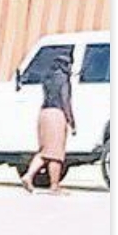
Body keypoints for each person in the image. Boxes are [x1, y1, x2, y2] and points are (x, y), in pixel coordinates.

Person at [21, 51, 76, 194]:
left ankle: (28, 175)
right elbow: (65, 100)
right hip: (56, 114)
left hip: (44, 113)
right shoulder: (63, 79)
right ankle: (54, 186)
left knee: (45, 151)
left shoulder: (47, 78)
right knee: (56, 154)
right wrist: (71, 121)